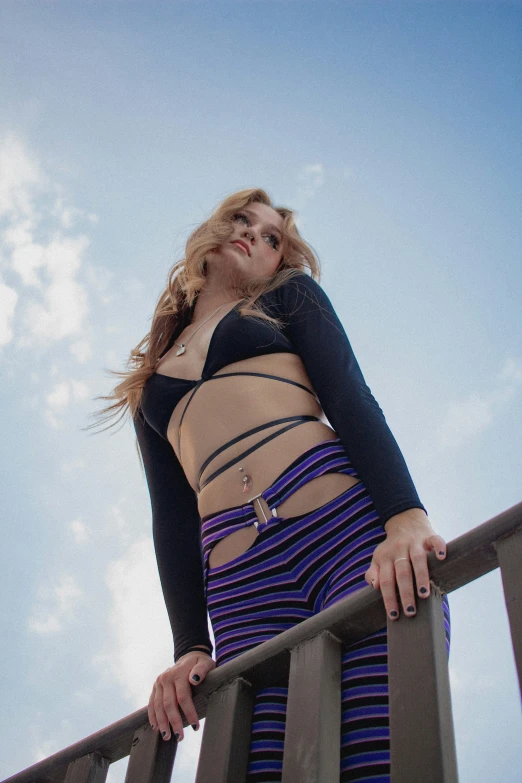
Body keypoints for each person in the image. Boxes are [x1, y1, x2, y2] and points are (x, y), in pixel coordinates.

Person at [96, 188, 451, 782]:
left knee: (376, 757)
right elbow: (173, 516)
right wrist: (190, 643)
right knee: (260, 766)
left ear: (280, 261)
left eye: (272, 238)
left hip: (342, 538)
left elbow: (349, 397)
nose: (254, 237)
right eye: (243, 221)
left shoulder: (289, 297)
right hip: (242, 585)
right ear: (210, 234)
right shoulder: (148, 389)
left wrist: (405, 516)